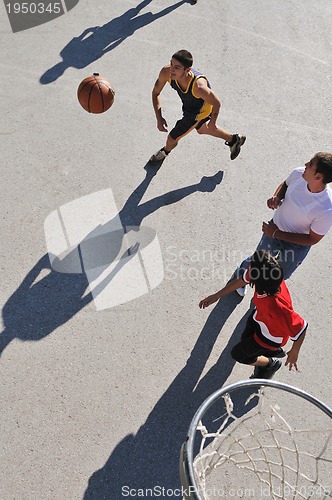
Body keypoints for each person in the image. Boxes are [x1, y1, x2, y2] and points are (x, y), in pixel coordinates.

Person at [199, 250, 308, 379]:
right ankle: (271, 352)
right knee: (245, 339)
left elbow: (301, 328)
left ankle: (270, 364)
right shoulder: (268, 276)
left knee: (239, 355)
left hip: (269, 337)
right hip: (258, 317)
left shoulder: (278, 307)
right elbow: (241, 281)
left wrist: (294, 352)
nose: (249, 264)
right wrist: (217, 295)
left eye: (251, 264)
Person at [236, 152, 332, 296]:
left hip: (295, 246)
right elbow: (286, 184)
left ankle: (263, 298)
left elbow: (312, 239)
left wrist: (276, 233)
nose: (306, 164)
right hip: (273, 231)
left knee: (277, 276)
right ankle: (240, 278)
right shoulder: (299, 173)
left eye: (310, 164)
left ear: (318, 177)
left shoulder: (326, 208)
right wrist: (277, 197)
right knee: (256, 262)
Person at [149, 49, 246, 163]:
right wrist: (159, 118)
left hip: (198, 112)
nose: (172, 69)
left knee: (172, 138)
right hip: (189, 104)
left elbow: (216, 102)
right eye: (171, 63)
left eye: (177, 67)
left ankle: (164, 152)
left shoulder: (198, 87)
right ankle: (234, 139)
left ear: (187, 70)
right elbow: (156, 93)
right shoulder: (166, 72)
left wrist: (213, 122)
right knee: (201, 129)